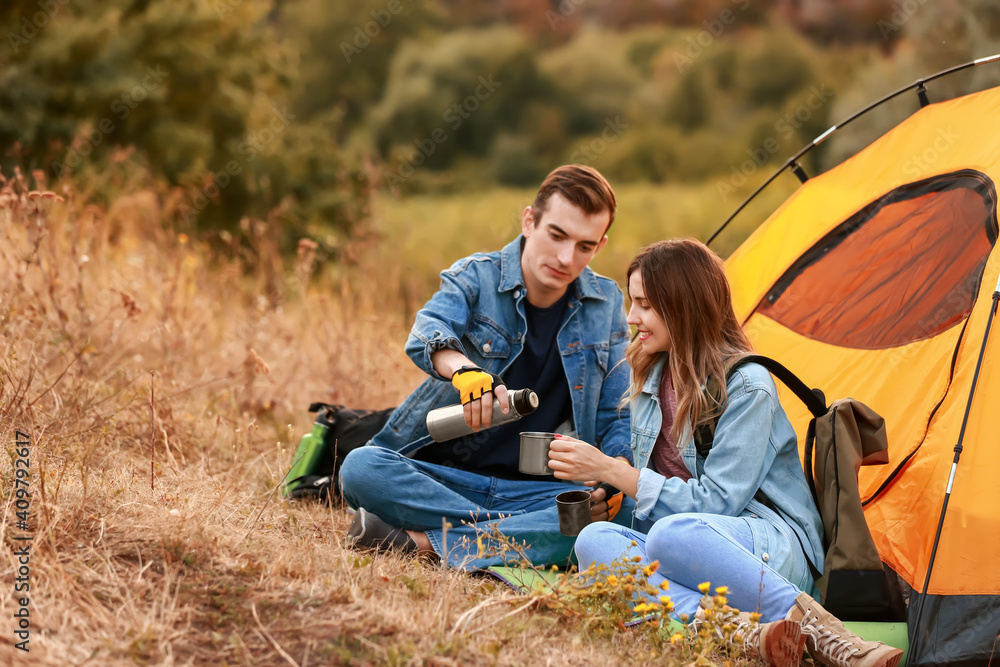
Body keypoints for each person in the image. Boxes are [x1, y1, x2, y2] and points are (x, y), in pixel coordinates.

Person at [549, 239, 903, 667]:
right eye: (631, 301)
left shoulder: (747, 384)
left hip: (764, 545)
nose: (631, 317)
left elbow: (718, 503)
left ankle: (829, 636)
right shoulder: (650, 375)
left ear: (683, 305)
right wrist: (614, 490)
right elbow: (660, 502)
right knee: (594, 541)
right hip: (692, 546)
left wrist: (614, 469)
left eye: (644, 304)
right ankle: (740, 633)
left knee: (670, 535)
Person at [340, 164, 635, 569]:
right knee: (360, 468)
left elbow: (617, 412)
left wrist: (616, 468)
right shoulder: (476, 275)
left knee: (627, 509)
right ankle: (528, 535)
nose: (567, 258)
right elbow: (430, 328)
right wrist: (462, 370)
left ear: (600, 245)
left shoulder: (607, 302)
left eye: (585, 246)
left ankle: (423, 543)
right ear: (529, 221)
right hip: (443, 477)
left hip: (541, 490)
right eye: (557, 235)